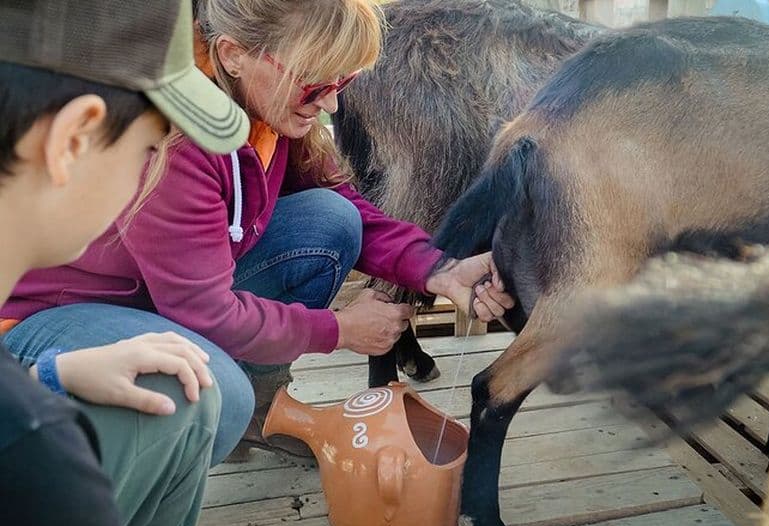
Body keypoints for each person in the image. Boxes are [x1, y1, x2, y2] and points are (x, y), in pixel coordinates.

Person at [2, 0, 514, 464]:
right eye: (315, 84)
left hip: (161, 293)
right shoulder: (179, 147)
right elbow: (204, 311)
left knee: (331, 220)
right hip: (52, 320)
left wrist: (441, 271)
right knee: (208, 396)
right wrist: (339, 330)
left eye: (345, 82)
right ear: (233, 54)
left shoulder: (266, 111)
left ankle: (256, 417)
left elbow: (348, 207)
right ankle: (211, 423)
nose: (331, 105)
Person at [0, 0, 249, 526]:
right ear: (73, 141)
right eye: (148, 149)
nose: (152, 171)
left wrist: (48, 374)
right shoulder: (41, 470)